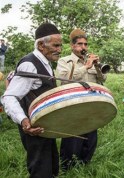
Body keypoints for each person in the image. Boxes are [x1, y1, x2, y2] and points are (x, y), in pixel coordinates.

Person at [1, 23, 62, 178]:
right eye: (56, 45)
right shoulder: (29, 64)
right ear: (41, 45)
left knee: (52, 166)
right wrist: (24, 121)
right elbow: (9, 97)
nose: (59, 50)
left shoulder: (45, 62)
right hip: (33, 126)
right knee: (41, 169)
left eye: (60, 46)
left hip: (45, 125)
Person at [57, 28, 100, 171]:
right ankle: (67, 168)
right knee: (72, 139)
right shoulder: (64, 61)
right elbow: (64, 80)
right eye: (80, 44)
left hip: (91, 105)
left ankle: (84, 166)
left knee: (91, 138)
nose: (84, 47)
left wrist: (98, 67)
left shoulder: (91, 61)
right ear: (72, 46)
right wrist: (85, 67)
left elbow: (102, 79)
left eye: (86, 44)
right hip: (73, 105)